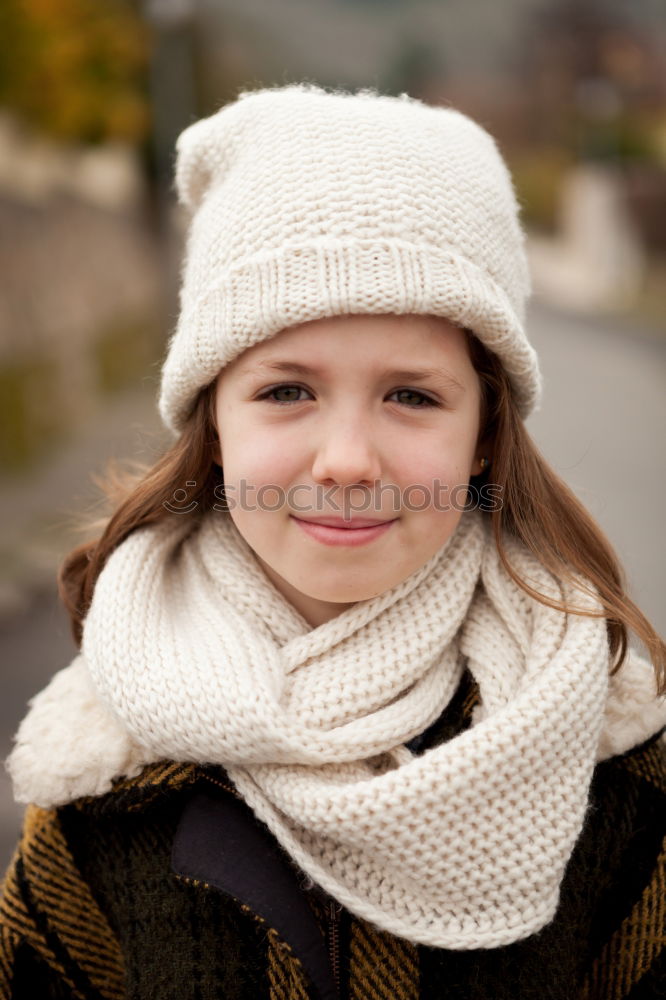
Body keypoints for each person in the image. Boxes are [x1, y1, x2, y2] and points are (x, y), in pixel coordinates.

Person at [1, 82, 664, 1000]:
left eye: (412, 395)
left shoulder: (620, 769)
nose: (348, 461)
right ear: (214, 421)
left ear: (485, 432)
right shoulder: (103, 782)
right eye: (286, 391)